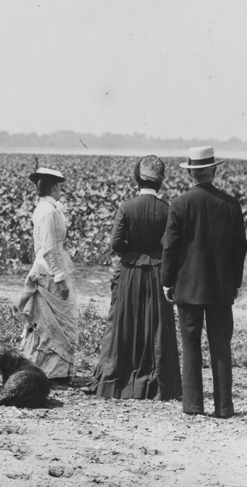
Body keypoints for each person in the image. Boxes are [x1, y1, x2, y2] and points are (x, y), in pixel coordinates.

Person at [161, 146, 247, 418]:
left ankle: (193, 405)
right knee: (221, 346)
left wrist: (167, 280)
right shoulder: (231, 204)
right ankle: (224, 407)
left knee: (190, 345)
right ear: (214, 170)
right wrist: (235, 282)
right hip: (221, 288)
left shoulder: (180, 203)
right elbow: (240, 248)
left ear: (191, 174)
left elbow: (170, 248)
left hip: (188, 287)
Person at [86, 156, 182, 400]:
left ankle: (120, 380)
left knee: (125, 321)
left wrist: (131, 251)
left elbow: (115, 243)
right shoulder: (167, 209)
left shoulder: (126, 207)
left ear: (137, 179)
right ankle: (157, 384)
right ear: (160, 182)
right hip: (157, 271)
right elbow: (171, 245)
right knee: (156, 324)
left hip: (130, 271)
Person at [18, 167, 78, 382]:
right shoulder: (49, 211)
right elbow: (50, 248)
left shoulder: (43, 208)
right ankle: (53, 371)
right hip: (50, 272)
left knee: (51, 322)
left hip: (47, 268)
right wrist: (61, 279)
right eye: (59, 186)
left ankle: (51, 368)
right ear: (54, 187)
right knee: (55, 323)